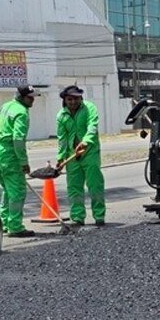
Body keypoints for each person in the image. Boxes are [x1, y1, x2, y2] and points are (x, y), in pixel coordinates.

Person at [0, 86, 37, 238]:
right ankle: (15, 226)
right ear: (21, 97)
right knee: (17, 191)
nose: (33, 100)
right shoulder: (21, 112)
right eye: (30, 97)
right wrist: (23, 162)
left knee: (7, 189)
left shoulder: (6, 106)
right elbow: (18, 138)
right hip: (10, 153)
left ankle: (5, 223)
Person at [56, 85, 105, 226]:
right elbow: (62, 139)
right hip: (72, 155)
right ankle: (77, 217)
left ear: (81, 98)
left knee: (95, 185)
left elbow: (92, 126)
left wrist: (85, 142)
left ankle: (99, 215)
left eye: (76, 98)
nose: (73, 102)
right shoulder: (61, 116)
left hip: (90, 152)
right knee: (74, 187)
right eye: (69, 99)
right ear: (65, 100)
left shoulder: (89, 108)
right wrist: (61, 157)